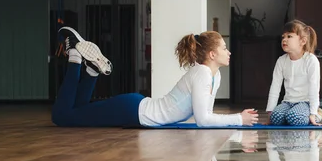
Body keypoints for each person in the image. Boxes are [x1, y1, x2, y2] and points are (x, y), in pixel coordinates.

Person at [51, 26, 258, 128]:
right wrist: (239, 119)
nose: (228, 52)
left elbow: (205, 116)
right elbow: (203, 120)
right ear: (212, 54)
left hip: (136, 108)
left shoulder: (214, 75)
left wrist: (235, 119)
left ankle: (92, 72)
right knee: (62, 118)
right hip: (132, 111)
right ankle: (76, 57)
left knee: (77, 112)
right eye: (224, 48)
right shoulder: (203, 73)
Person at [265, 20, 322, 126]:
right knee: (275, 118)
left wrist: (312, 113)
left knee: (294, 118)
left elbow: (314, 88)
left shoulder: (311, 60)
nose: (284, 39)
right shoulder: (281, 61)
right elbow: (275, 86)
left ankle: (318, 113)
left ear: (303, 41)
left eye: (289, 36)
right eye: (283, 37)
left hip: (305, 102)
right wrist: (270, 112)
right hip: (288, 102)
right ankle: (290, 114)